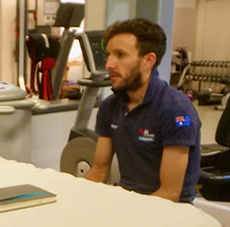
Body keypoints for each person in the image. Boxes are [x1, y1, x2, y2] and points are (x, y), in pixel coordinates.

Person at [84, 18, 202, 204]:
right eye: (109, 55)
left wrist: (128, 213)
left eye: (120, 55)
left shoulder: (176, 110)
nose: (109, 64)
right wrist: (75, 199)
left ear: (148, 61)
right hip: (129, 200)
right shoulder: (110, 106)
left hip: (169, 209)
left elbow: (169, 193)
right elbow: (99, 170)